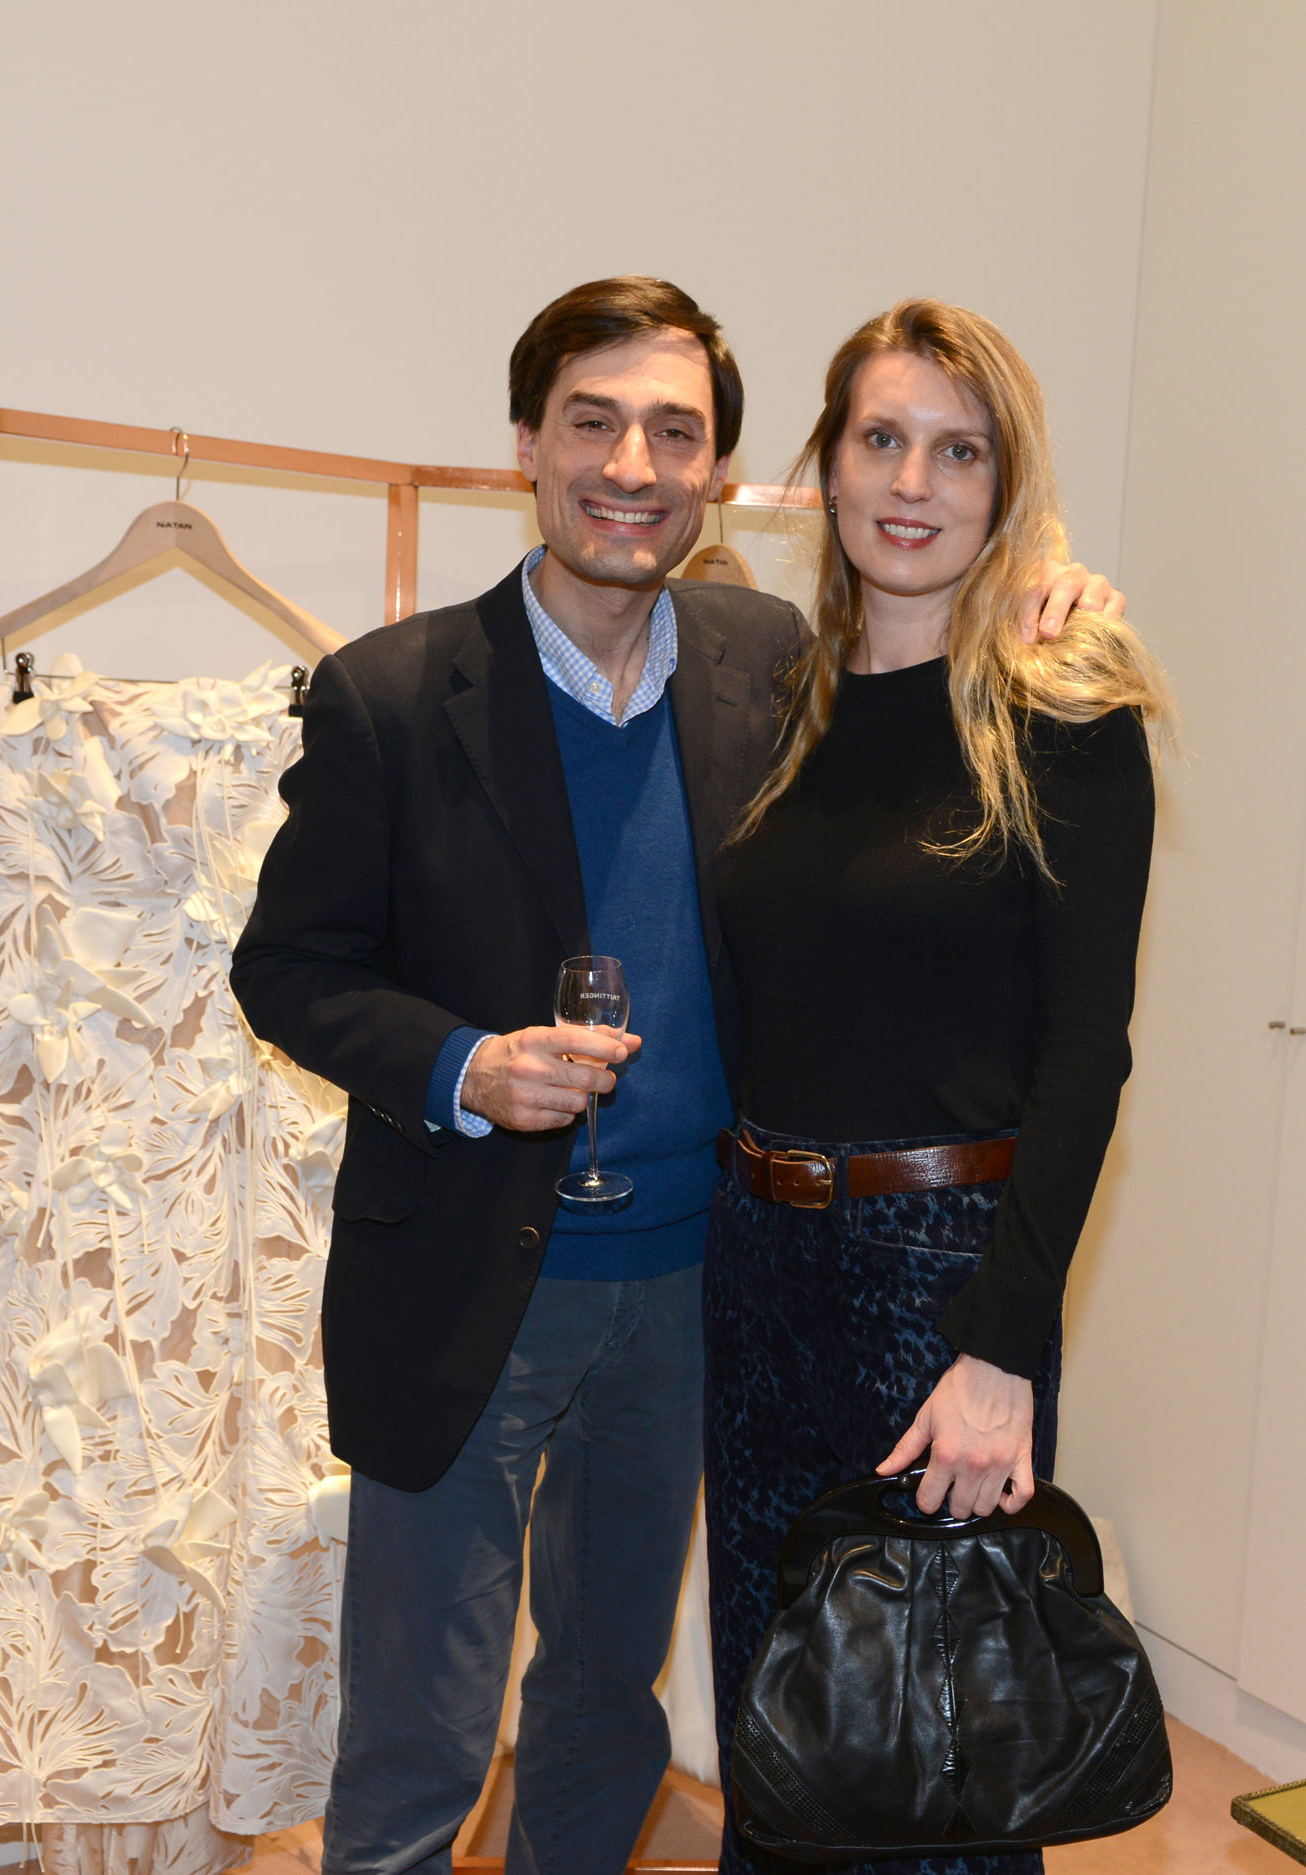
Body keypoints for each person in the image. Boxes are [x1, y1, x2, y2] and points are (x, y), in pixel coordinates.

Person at [230, 277, 1121, 1875]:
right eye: (594, 421)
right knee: (423, 1737)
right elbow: (285, 969)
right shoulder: (389, 696)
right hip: (471, 1284)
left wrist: (1049, 584)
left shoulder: (766, 668)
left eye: (674, 431)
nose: (631, 465)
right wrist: (461, 1064)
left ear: (723, 474)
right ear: (527, 443)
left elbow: (1013, 927)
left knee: (611, 1702)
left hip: (704, 1288)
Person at [704, 298, 1171, 1875]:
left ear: (1005, 486)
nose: (914, 483)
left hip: (939, 1289)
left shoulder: (1064, 710)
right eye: (882, 439)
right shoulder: (781, 705)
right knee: (782, 1742)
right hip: (755, 1271)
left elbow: (1087, 1051)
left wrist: (1002, 1348)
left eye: (959, 452)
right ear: (828, 467)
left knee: (931, 1778)